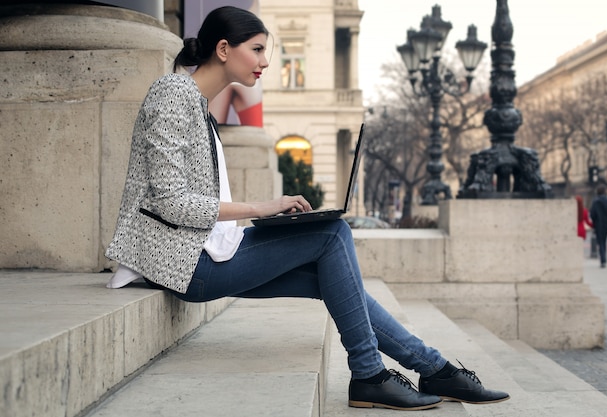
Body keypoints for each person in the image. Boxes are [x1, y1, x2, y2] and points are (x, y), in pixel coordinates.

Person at [105, 6, 509, 411]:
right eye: (258, 49)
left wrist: (266, 213)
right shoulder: (173, 93)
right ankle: (369, 374)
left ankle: (434, 368)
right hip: (183, 264)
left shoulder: (198, 106)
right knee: (333, 234)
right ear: (224, 49)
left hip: (204, 251)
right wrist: (261, 208)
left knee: (333, 279)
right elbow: (169, 200)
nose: (266, 61)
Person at [590, 185, 607, 268]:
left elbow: (592, 214)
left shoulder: (595, 201)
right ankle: (604, 258)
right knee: (604, 240)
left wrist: (594, 221)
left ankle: (603, 259)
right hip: (606, 223)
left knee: (600, 241)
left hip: (598, 223)